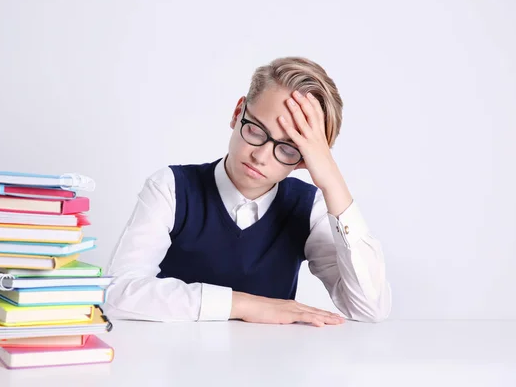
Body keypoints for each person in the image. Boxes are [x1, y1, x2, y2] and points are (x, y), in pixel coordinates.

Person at [104, 56, 391, 327]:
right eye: (255, 130)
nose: (261, 156)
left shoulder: (307, 207)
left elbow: (369, 308)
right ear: (238, 112)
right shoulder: (171, 188)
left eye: (288, 148)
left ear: (306, 157)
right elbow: (117, 293)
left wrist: (332, 181)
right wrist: (245, 305)